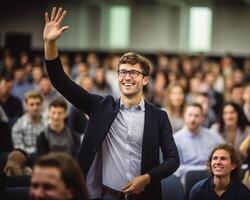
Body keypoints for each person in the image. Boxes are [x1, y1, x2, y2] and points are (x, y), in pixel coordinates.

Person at [43, 7, 179, 200]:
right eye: (123, 72)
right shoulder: (100, 107)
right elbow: (59, 80)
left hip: (143, 195)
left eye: (134, 72)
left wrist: (147, 178)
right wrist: (50, 44)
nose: (127, 77)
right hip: (105, 195)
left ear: (145, 80)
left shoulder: (158, 116)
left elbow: (173, 160)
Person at [174, 103, 224, 178]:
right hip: (189, 178)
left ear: (202, 118)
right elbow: (176, 168)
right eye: (190, 115)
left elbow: (226, 150)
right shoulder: (176, 139)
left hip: (212, 175)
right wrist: (201, 169)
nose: (193, 119)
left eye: (196, 116)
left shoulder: (212, 135)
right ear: (184, 116)